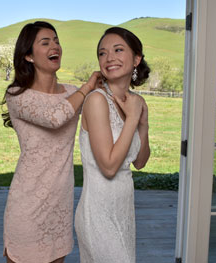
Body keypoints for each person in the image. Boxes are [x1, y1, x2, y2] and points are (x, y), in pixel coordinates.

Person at [1, 21, 100, 263]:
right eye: (45, 42)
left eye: (56, 40)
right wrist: (88, 87)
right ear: (29, 56)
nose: (55, 46)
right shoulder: (17, 96)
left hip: (60, 205)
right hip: (27, 205)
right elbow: (55, 118)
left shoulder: (72, 93)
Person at [74, 27, 151, 263]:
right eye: (102, 53)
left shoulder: (135, 102)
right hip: (97, 214)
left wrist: (143, 124)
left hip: (123, 211)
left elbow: (139, 162)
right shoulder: (96, 101)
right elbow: (108, 167)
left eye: (118, 50)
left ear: (136, 59)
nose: (109, 58)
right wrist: (132, 118)